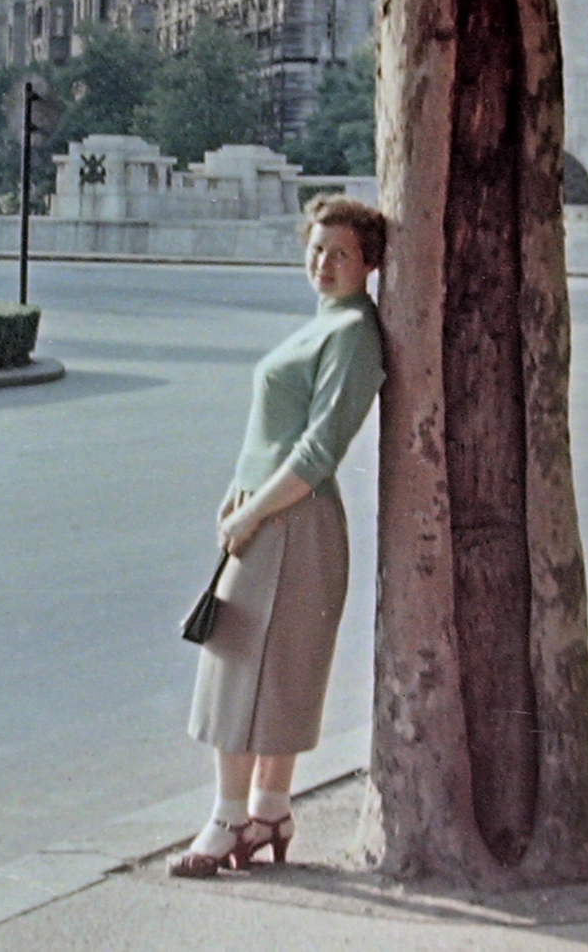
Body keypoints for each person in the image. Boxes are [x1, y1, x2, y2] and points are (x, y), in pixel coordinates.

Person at [169, 193, 386, 878]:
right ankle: (268, 811)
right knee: (266, 668)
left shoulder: (353, 334)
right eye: (317, 249)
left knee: (245, 669)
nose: (324, 263)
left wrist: (252, 513)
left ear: (369, 264)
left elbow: (320, 449)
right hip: (274, 512)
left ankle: (228, 820)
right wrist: (239, 489)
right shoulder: (326, 323)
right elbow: (276, 428)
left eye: (341, 253)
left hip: (294, 520)